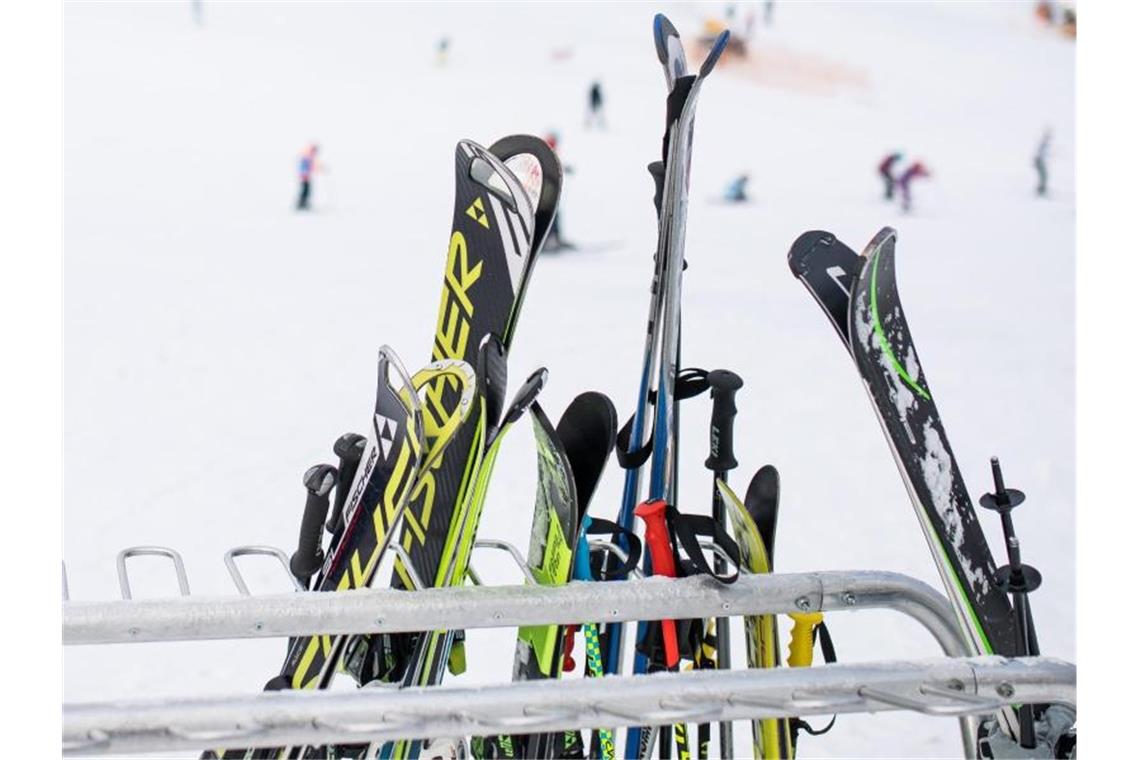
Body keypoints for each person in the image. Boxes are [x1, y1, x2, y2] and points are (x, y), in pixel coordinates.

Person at [296, 144, 321, 211]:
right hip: (305, 176)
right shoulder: (308, 156)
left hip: (305, 176)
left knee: (306, 190)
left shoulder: (308, 156)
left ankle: (303, 203)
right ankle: (302, 203)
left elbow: (311, 167)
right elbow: (309, 166)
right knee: (306, 190)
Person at [1034, 129, 1052, 197]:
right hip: (1039, 161)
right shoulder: (1044, 143)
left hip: (1040, 161)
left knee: (1044, 176)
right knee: (1044, 176)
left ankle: (1041, 189)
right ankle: (1041, 190)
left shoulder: (1045, 144)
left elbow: (1043, 153)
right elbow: (1040, 153)